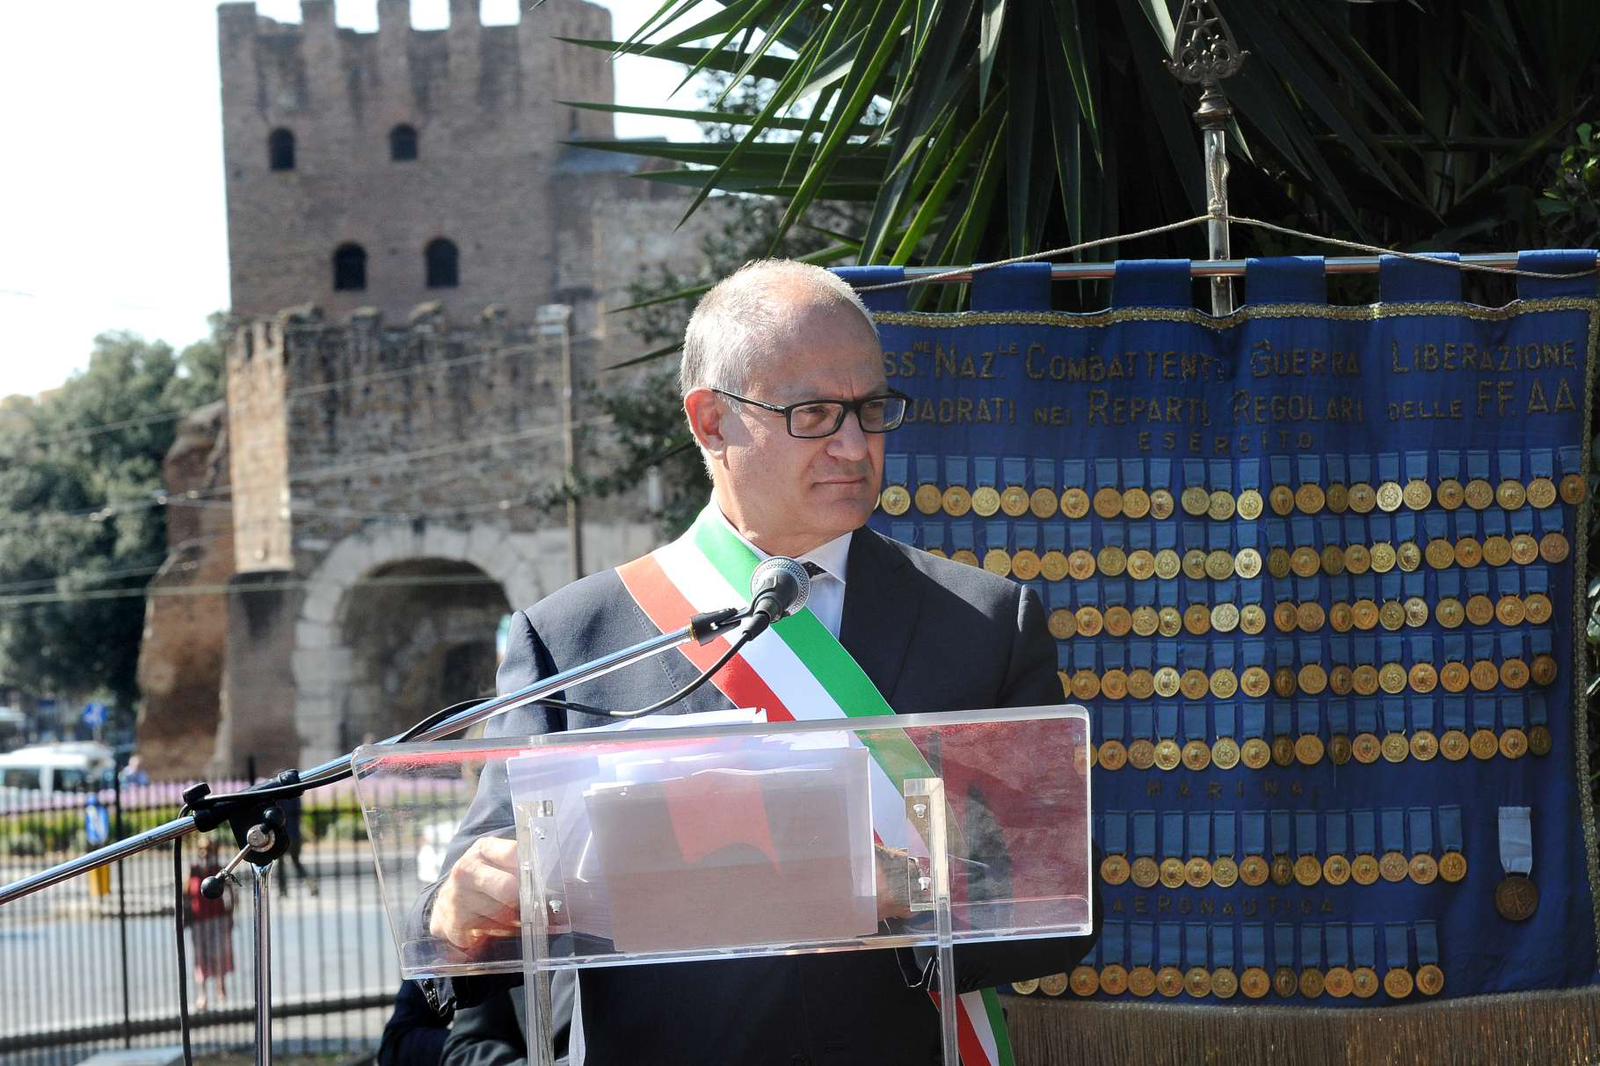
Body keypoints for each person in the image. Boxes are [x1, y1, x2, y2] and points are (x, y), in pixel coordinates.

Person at [427, 260, 1096, 1064]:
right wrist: (457, 911)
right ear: (712, 422)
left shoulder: (984, 622)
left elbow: (1064, 900)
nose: (855, 446)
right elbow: (469, 893)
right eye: (815, 413)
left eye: (872, 409)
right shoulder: (575, 637)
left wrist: (915, 896)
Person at [186, 836, 235, 1011]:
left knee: (219, 953)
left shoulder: (218, 870)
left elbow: (230, 892)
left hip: (218, 918)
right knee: (200, 958)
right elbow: (186, 894)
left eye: (208, 849)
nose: (205, 853)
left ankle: (221, 987)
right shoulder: (193, 870)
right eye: (201, 849)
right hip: (198, 920)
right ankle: (203, 994)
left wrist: (230, 914)